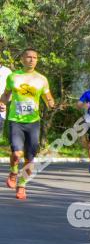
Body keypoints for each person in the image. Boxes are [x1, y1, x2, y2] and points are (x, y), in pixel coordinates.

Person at [1, 49, 56, 200]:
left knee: (30, 158)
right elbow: (6, 94)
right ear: (22, 59)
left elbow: (47, 97)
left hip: (33, 123)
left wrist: (51, 103)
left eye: (35, 58)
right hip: (16, 120)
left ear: (37, 60)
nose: (32, 60)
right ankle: (13, 172)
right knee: (16, 153)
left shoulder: (42, 79)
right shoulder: (13, 77)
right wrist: (2, 102)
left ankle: (22, 185)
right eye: (29, 57)